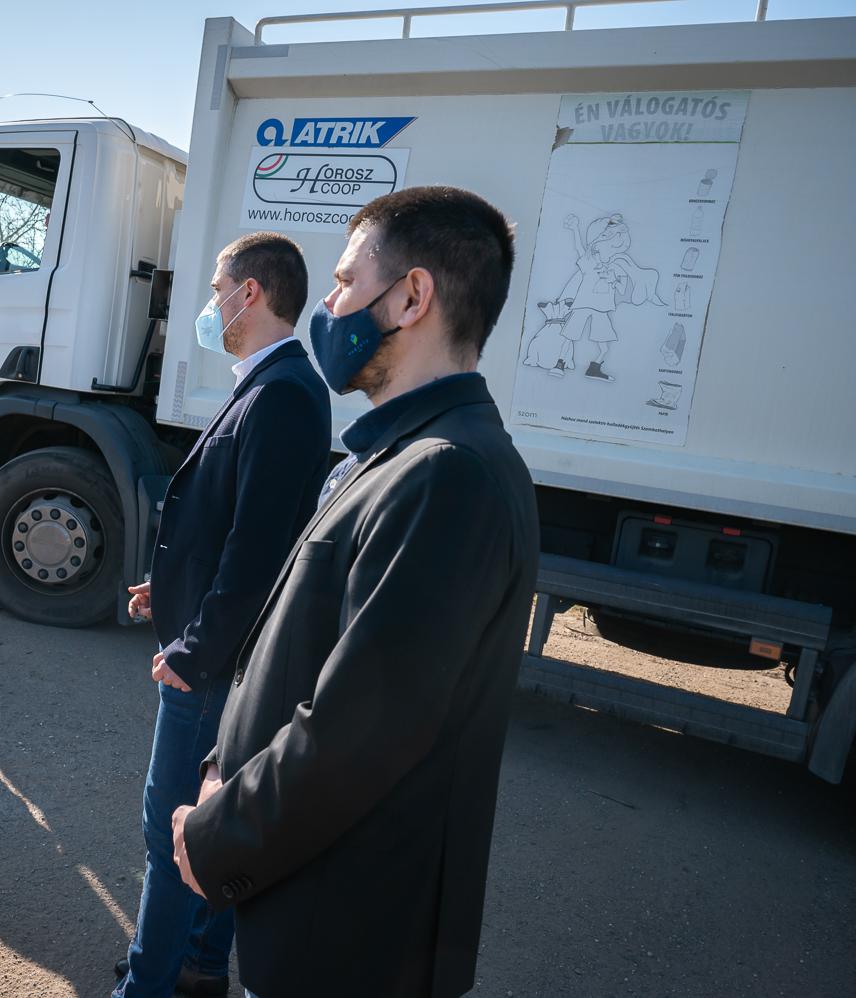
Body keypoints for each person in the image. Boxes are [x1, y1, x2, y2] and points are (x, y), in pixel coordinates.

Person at [172, 187, 541, 998]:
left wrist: (217, 834)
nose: (329, 306)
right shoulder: (397, 455)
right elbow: (296, 646)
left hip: (348, 944)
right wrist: (219, 766)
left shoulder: (448, 475)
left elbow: (361, 727)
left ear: (411, 297)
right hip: (314, 915)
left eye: (344, 281)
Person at [115, 233, 330, 998]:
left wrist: (195, 648)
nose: (209, 304)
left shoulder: (284, 394)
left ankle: (147, 987)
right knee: (203, 825)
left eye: (216, 289)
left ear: (251, 294)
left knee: (173, 832)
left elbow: (257, 551)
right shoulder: (268, 384)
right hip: (215, 646)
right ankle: (200, 964)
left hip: (215, 664)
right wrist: (168, 588)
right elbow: (227, 521)